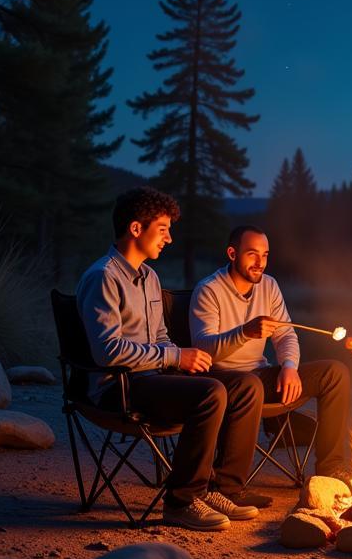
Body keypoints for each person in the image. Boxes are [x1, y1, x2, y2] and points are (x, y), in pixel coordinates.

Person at [75, 188, 263, 532]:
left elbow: (160, 337)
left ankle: (222, 490)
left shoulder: (149, 277)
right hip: (119, 386)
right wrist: (175, 356)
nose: (170, 238)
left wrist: (180, 360)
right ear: (136, 229)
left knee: (245, 385)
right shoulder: (102, 277)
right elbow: (108, 351)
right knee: (210, 394)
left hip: (154, 377)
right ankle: (181, 501)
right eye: (162, 229)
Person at [189, 224, 351, 492]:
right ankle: (229, 487)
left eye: (265, 255)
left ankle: (331, 470)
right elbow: (204, 349)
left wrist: (289, 367)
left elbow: (286, 335)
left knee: (335, 373)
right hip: (221, 379)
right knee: (249, 384)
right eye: (252, 254)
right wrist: (244, 332)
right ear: (232, 253)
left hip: (260, 376)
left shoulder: (269, 286)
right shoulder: (208, 290)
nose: (260, 262)